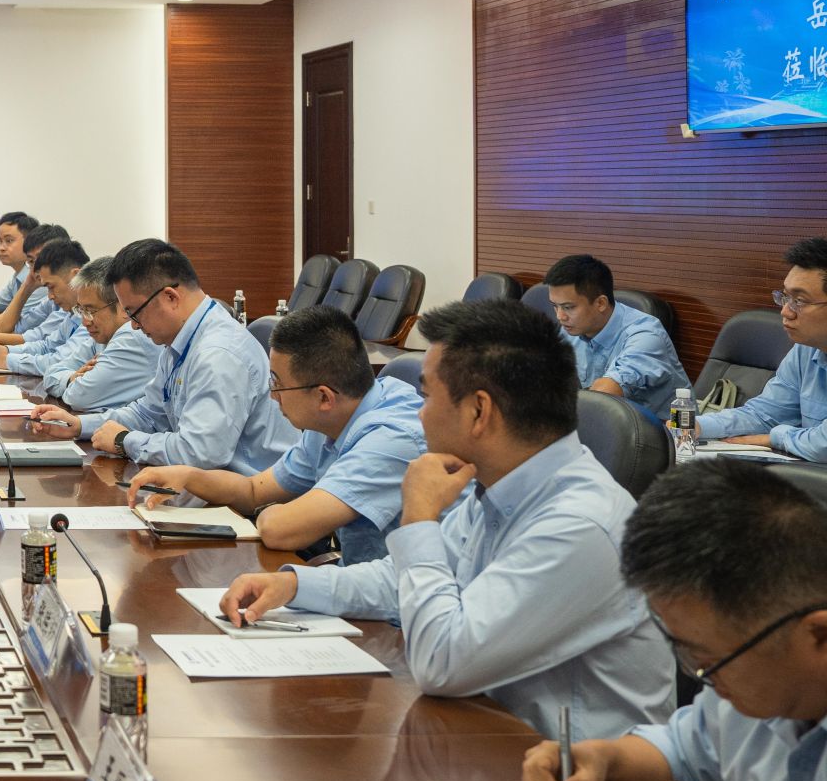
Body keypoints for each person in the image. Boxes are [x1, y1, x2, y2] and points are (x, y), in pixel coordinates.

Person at [220, 299, 674, 738]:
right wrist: (296, 586)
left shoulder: (577, 525)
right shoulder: (499, 485)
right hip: (485, 738)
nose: (419, 415)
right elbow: (398, 581)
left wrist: (419, 518)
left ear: (479, 411)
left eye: (427, 397)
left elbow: (442, 662)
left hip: (565, 773)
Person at [516, 461, 825, 781]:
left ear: (818, 633)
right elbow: (687, 748)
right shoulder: (759, 676)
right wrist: (608, 760)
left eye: (710, 660)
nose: (702, 676)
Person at [132, 305, 425, 564]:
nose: (272, 396)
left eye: (277, 384)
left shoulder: (390, 440)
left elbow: (278, 530)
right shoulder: (330, 420)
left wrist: (271, 514)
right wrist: (189, 477)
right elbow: (253, 491)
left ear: (324, 397)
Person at [24, 239, 295, 476]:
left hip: (248, 504)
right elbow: (149, 413)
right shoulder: (180, 340)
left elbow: (200, 453)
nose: (133, 325)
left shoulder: (218, 354)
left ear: (170, 297)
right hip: (207, 487)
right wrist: (81, 425)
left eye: (135, 312)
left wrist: (124, 441)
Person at [699, 236, 827, 460]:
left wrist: (775, 438)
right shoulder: (806, 350)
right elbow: (765, 415)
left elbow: (822, 444)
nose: (785, 311)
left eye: (799, 300)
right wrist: (696, 426)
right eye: (786, 297)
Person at [543, 253, 687, 419]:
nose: (560, 316)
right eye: (555, 306)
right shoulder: (571, 329)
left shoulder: (646, 335)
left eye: (568, 307)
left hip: (669, 431)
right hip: (610, 424)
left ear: (600, 303)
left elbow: (603, 395)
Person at [46, 256, 163, 412]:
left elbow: (79, 397)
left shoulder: (131, 336)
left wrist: (71, 382)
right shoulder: (102, 335)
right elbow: (51, 374)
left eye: (90, 310)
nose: (85, 322)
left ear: (122, 306)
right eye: (81, 310)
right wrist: (70, 379)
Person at [0, 237, 85, 375]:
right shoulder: (74, 312)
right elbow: (46, 346)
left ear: (76, 277)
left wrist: (6, 359)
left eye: (51, 287)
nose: (50, 296)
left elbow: (59, 362)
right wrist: (5, 350)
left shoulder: (93, 315)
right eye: (30, 262)